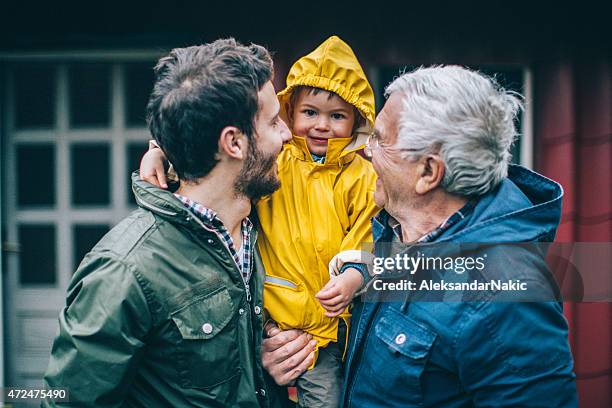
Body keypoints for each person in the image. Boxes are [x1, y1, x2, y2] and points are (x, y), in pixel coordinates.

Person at [262, 66, 579, 407]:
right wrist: (281, 345)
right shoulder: (391, 231)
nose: (366, 151)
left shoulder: (504, 301)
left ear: (428, 172)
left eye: (380, 139)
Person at [42, 39, 295, 407]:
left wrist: (261, 361)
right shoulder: (124, 271)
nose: (288, 133)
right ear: (234, 143)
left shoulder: (260, 225)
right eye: (273, 122)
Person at [140, 35, 379, 407]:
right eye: (310, 113)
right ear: (291, 111)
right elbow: (210, 160)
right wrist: (161, 153)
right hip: (267, 314)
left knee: (328, 398)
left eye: (337, 116)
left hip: (327, 325)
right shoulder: (275, 161)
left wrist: (354, 274)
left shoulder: (361, 177)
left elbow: (367, 234)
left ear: (357, 120)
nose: (322, 126)